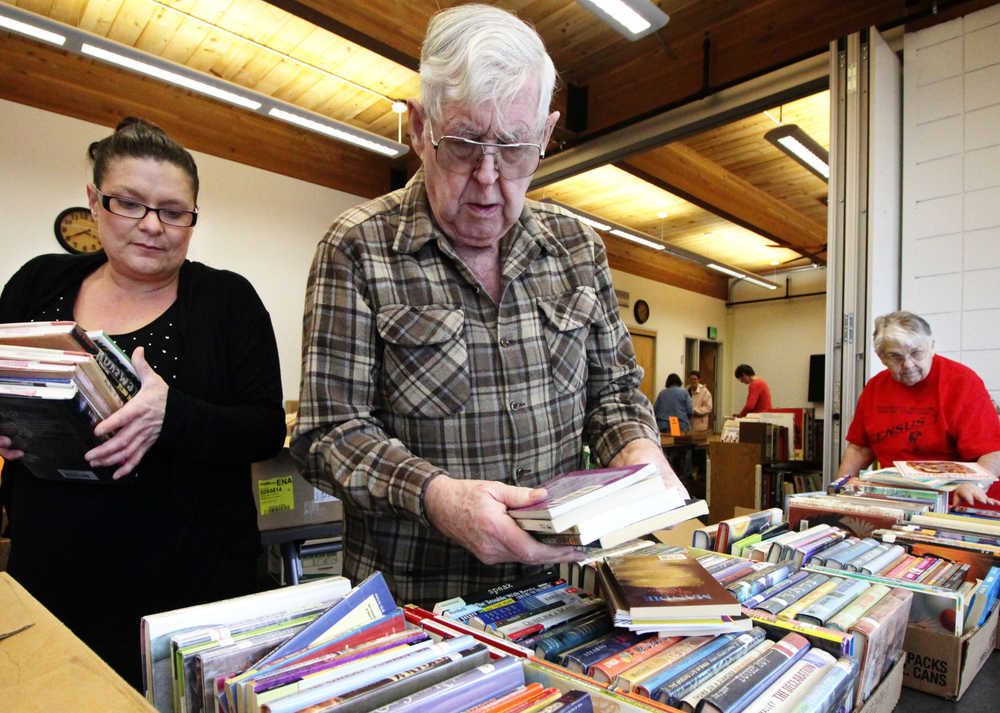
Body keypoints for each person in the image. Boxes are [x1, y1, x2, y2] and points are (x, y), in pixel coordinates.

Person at [292, 4, 687, 608]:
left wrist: (639, 451)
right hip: (415, 610)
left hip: (561, 600)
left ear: (547, 134)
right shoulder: (357, 248)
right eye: (464, 143)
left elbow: (614, 397)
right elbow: (327, 434)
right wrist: (437, 497)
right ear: (420, 127)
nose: (488, 177)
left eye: (515, 147)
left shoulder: (578, 249)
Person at [0, 118, 286, 688]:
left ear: (193, 217)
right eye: (129, 203)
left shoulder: (227, 301)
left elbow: (264, 429)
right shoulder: (38, 284)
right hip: (53, 570)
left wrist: (170, 414)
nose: (152, 226)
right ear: (94, 202)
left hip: (189, 589)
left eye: (174, 211)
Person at [835, 311, 1000, 507]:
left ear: (931, 346)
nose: (908, 365)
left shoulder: (962, 382)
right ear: (881, 357)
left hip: (962, 499)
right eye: (896, 357)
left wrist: (977, 485)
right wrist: (837, 490)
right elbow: (860, 449)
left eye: (916, 353)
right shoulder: (875, 388)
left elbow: (993, 451)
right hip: (902, 499)